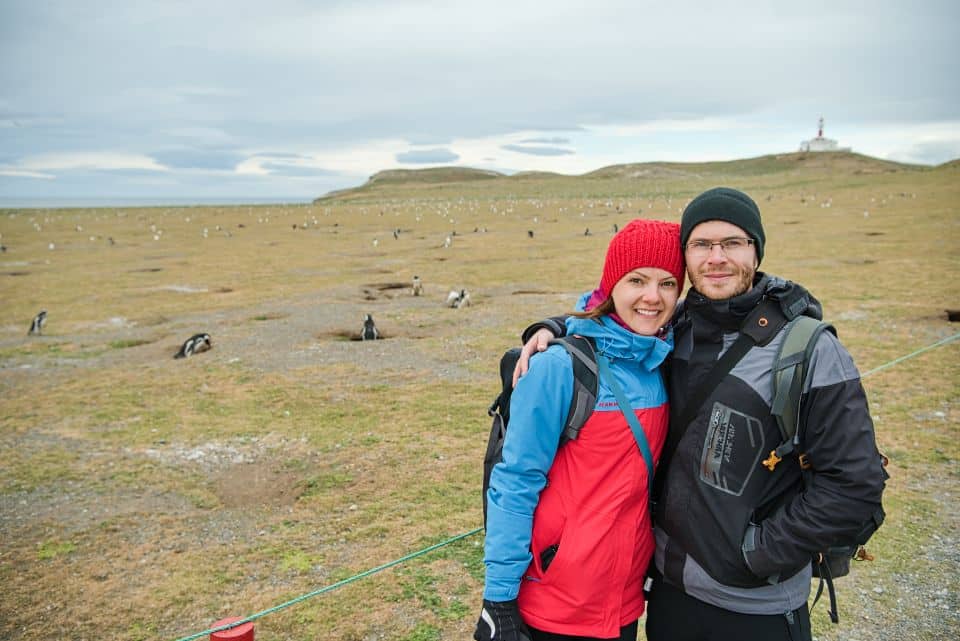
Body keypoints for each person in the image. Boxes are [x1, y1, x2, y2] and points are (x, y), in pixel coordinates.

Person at [515, 187, 886, 641]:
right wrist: (553, 328)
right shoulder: (676, 327)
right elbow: (620, 313)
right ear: (685, 258)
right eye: (701, 245)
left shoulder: (808, 349)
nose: (717, 257)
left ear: (756, 250)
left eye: (732, 243)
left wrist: (755, 555)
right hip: (671, 596)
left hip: (757, 608)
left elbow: (855, 485)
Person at [475, 219, 686, 641]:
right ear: (611, 285)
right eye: (637, 280)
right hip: (554, 606)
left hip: (624, 604)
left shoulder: (661, 359)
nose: (652, 296)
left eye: (667, 283)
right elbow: (515, 482)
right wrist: (498, 600)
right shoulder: (558, 368)